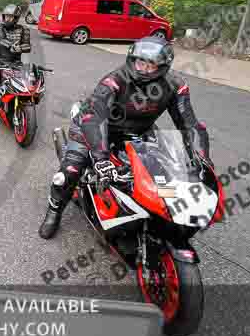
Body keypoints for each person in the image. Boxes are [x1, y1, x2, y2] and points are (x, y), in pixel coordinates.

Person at [38, 36, 211, 239]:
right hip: (93, 127)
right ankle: (54, 210)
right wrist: (101, 159)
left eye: (151, 65)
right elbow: (95, 118)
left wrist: (202, 158)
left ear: (163, 66)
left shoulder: (176, 85)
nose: (144, 69)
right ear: (132, 59)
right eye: (141, 62)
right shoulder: (114, 80)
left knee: (162, 171)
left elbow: (189, 124)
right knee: (69, 171)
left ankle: (148, 211)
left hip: (139, 130)